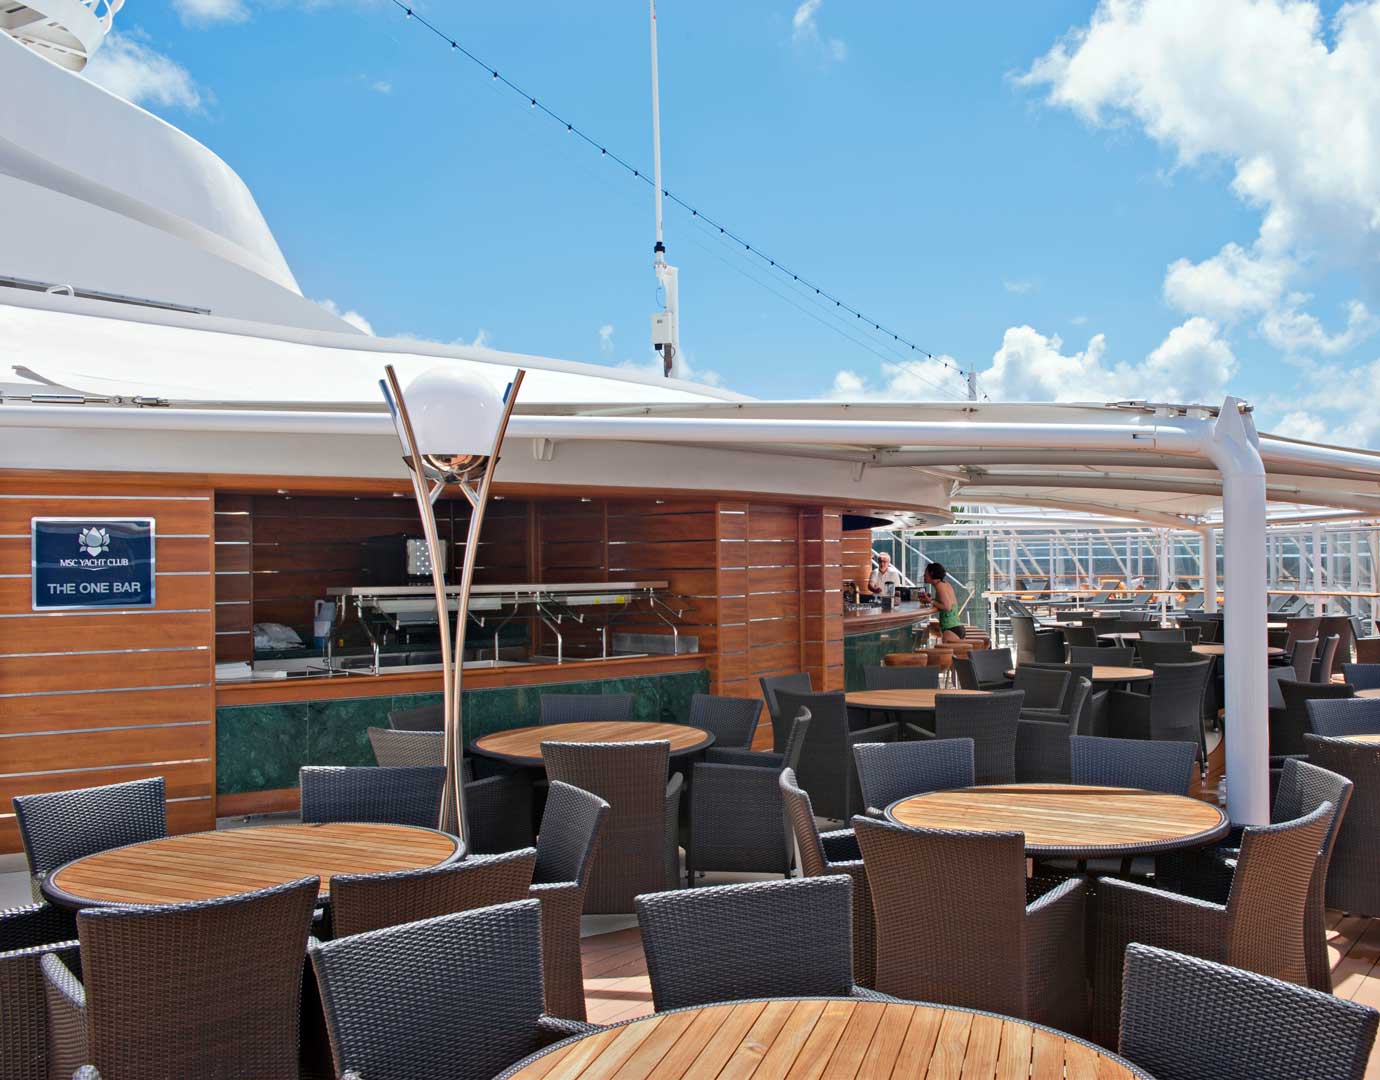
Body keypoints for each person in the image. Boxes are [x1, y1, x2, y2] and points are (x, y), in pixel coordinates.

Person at [924, 562, 964, 641]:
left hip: (950, 629)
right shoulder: (946, 584)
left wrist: (931, 601)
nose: (924, 576)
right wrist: (931, 599)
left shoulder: (939, 586)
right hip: (957, 627)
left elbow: (947, 607)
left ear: (931, 573)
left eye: (925, 574)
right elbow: (944, 603)